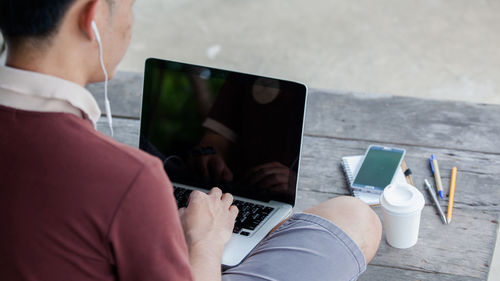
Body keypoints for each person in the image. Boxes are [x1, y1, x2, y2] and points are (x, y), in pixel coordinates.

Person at [0, 1, 382, 281]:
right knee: (357, 218)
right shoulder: (128, 178)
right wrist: (205, 242)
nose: (130, 22)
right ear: (94, 15)